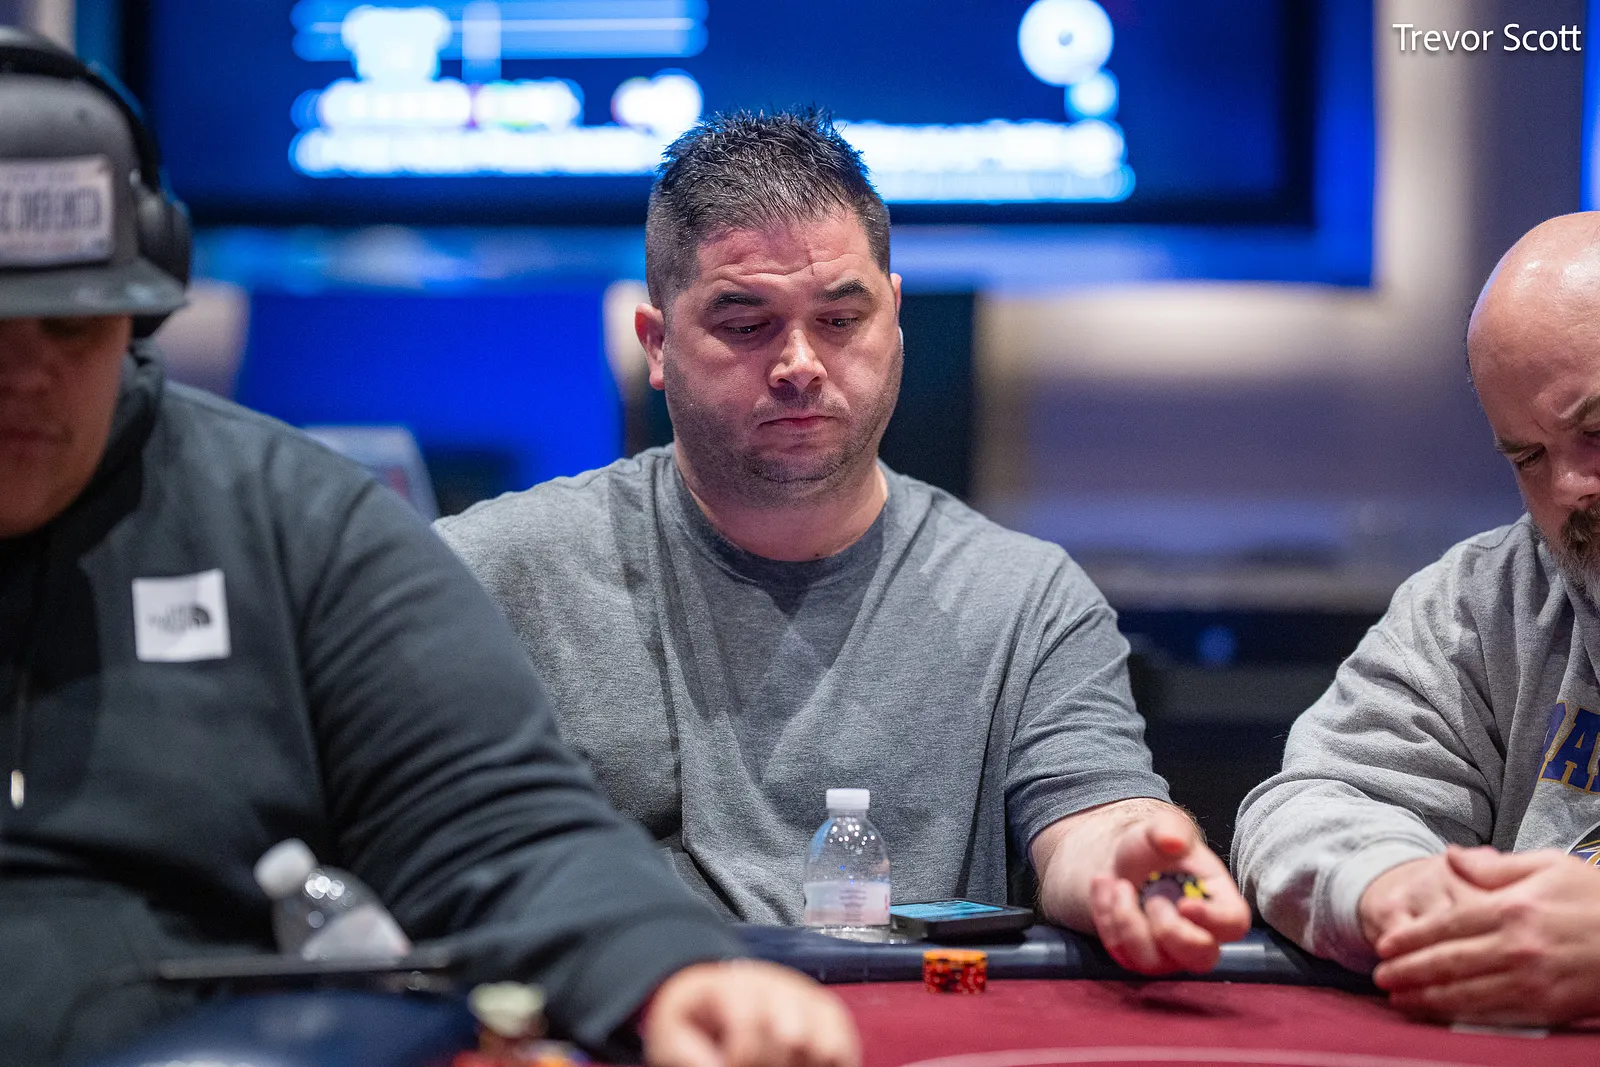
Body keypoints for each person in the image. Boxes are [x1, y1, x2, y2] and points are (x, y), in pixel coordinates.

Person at [0, 32, 857, 1067]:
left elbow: (492, 821)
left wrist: (668, 971)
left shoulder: (297, 525)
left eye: (68, 325)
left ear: (138, 306)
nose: (25, 376)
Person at [436, 109, 1249, 975]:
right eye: (746, 323)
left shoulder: (1025, 600)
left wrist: (1135, 857)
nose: (800, 363)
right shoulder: (491, 576)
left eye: (839, 319)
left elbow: (1092, 814)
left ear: (893, 318)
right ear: (658, 344)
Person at [1233, 211, 1600, 1026]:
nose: (1570, 487)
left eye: (1597, 430)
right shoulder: (1485, 599)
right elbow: (1307, 803)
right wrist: (1402, 891)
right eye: (1528, 457)